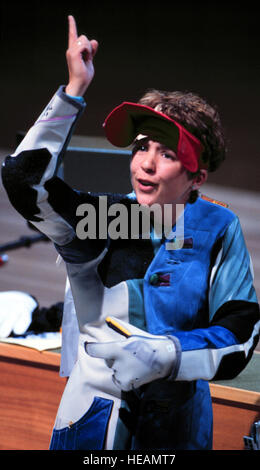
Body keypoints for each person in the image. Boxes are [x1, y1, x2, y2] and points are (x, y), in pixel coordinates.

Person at [2, 15, 260, 450]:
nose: (145, 163)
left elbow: (242, 330)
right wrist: (73, 91)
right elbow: (26, 183)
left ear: (197, 176)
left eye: (167, 153)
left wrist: (169, 355)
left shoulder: (218, 226)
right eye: (141, 146)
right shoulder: (107, 218)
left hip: (183, 427)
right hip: (97, 422)